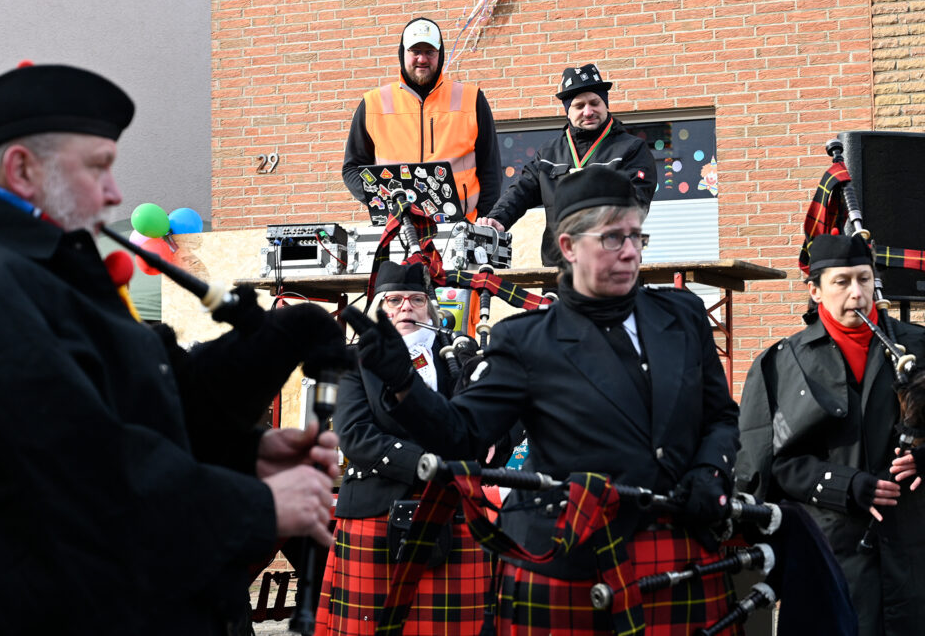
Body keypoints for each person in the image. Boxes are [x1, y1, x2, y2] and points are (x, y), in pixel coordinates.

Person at [0, 63, 350, 636]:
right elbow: (80, 471)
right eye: (98, 168)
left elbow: (135, 403)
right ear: (22, 169)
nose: (115, 193)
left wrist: (247, 453)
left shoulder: (43, 270)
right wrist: (256, 505)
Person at [350, 166, 741, 634]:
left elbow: (720, 415)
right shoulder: (526, 339)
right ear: (569, 247)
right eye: (613, 239)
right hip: (570, 553)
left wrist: (710, 471)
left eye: (638, 236)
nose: (632, 252)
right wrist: (403, 385)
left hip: (677, 544)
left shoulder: (683, 314)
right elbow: (462, 434)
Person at [736, 233, 925, 636]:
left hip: (911, 549)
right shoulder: (781, 364)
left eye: (864, 279)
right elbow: (772, 466)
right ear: (815, 291)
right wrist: (845, 485)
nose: (857, 293)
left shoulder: (918, 346)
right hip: (828, 551)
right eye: (842, 282)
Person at [315, 261, 490, 635]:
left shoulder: (459, 353)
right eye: (393, 300)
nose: (406, 308)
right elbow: (355, 434)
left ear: (430, 308)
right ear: (378, 309)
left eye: (416, 300)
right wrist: (429, 465)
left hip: (453, 511)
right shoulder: (354, 358)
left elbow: (481, 423)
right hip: (375, 508)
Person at [475, 63, 655, 266]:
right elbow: (521, 191)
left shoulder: (631, 149)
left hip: (612, 267)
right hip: (558, 270)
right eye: (579, 106)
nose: (588, 111)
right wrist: (497, 219)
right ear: (568, 111)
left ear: (605, 104)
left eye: (594, 102)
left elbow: (635, 205)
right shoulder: (548, 153)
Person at [342, 17, 502, 221]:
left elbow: (491, 171)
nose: (422, 59)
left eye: (430, 52)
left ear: (440, 54)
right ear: (402, 53)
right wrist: (383, 201)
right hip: (396, 230)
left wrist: (480, 224)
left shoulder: (472, 99)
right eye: (415, 51)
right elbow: (352, 168)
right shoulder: (373, 103)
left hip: (459, 230)